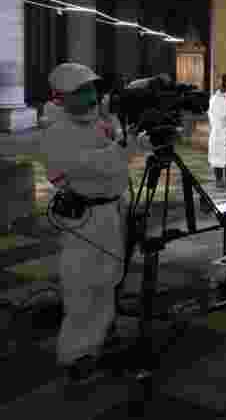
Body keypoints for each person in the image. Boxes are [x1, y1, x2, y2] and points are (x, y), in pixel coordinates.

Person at [36, 63, 150, 381]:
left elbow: (116, 159)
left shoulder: (99, 124)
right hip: (84, 218)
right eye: (82, 91)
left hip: (112, 211)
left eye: (92, 90)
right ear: (61, 98)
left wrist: (139, 140)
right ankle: (75, 354)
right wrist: (124, 149)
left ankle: (98, 340)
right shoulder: (57, 132)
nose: (90, 96)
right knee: (82, 285)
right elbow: (92, 165)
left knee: (107, 279)